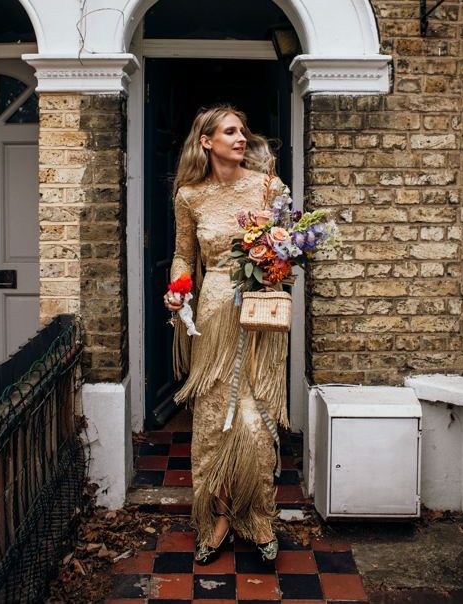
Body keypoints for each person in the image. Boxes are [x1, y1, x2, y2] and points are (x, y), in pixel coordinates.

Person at [163, 104, 290, 565]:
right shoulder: (190, 196)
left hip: (259, 316)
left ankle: (257, 518)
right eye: (230, 131)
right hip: (214, 315)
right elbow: (182, 256)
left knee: (255, 426)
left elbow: (288, 251)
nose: (241, 138)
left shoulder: (269, 187)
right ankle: (217, 518)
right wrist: (178, 290)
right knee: (216, 424)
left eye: (243, 131)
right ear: (207, 141)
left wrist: (277, 262)